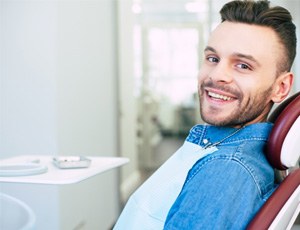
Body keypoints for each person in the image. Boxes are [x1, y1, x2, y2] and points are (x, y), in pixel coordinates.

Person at [114, 0, 297, 229]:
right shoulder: (228, 153)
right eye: (213, 59)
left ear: (280, 87)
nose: (217, 75)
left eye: (243, 66)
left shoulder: (225, 170)